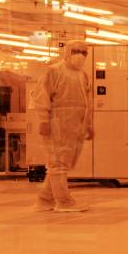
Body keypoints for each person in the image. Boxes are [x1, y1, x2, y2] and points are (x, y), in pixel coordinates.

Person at [32, 39, 93, 212]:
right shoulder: (54, 71)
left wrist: (88, 124)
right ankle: (64, 202)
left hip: (75, 125)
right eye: (76, 51)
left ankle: (45, 200)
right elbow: (41, 96)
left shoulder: (83, 74)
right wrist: (44, 120)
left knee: (61, 163)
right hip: (57, 123)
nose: (80, 55)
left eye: (84, 52)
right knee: (58, 163)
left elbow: (87, 102)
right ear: (67, 52)